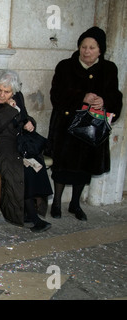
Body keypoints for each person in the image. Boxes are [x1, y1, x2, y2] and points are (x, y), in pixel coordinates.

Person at [47, 27, 123, 221]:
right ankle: (56, 203)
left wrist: (104, 101)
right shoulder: (65, 66)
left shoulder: (109, 69)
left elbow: (115, 95)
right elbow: (56, 95)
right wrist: (82, 97)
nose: (87, 51)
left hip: (92, 128)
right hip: (66, 126)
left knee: (84, 167)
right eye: (83, 47)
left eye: (91, 47)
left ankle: (75, 204)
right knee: (62, 168)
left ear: (100, 50)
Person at [0, 70, 52, 232]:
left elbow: (24, 116)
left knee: (35, 165)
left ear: (14, 91)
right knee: (16, 169)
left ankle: (31, 211)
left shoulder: (18, 97)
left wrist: (29, 122)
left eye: (7, 92)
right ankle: (27, 215)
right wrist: (8, 110)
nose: (2, 95)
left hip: (19, 140)